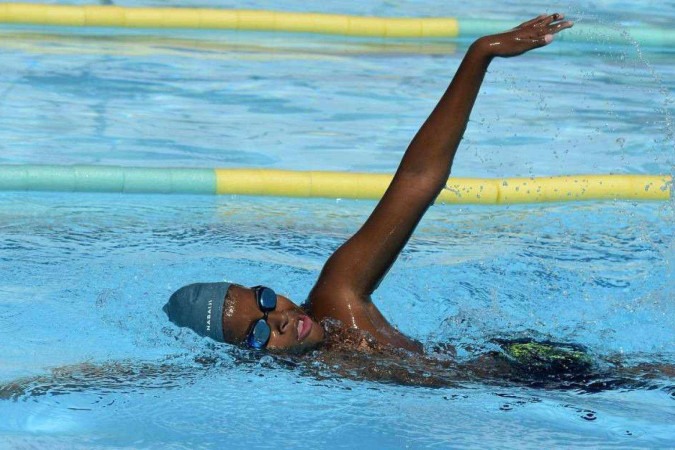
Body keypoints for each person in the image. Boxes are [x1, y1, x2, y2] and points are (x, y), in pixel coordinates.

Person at [164, 13, 575, 356]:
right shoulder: (310, 374)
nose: (281, 318)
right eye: (258, 333)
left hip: (535, 374)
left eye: (266, 300)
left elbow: (418, 181)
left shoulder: (337, 297)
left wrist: (479, 55)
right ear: (246, 358)